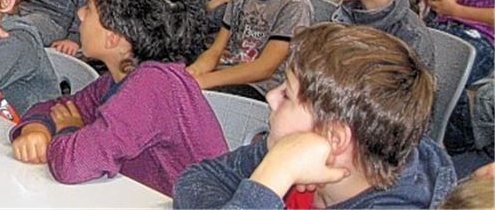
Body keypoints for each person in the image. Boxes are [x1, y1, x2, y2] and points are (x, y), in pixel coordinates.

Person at [9, 0, 227, 195]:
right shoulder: (119, 77)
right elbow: (56, 108)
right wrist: (37, 127)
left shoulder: (154, 86)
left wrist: (71, 129)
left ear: (114, 36)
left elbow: (73, 164)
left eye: (89, 9)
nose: (80, 14)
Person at [174, 23, 456, 209]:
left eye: (287, 95)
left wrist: (272, 177)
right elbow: (196, 179)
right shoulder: (297, 147)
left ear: (334, 138)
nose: (271, 97)